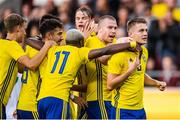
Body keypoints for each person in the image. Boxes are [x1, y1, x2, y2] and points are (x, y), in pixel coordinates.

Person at [27, 27, 138, 119]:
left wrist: (45, 43)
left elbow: (30, 41)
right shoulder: (80, 52)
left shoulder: (53, 49)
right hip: (58, 100)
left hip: (41, 100)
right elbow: (105, 51)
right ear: (81, 43)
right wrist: (131, 45)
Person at [107, 17, 167, 119]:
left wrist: (156, 83)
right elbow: (110, 85)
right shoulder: (120, 54)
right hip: (122, 110)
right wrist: (129, 71)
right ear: (130, 34)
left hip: (140, 110)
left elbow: (140, 74)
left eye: (146, 30)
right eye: (141, 31)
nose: (145, 33)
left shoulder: (144, 51)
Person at [0, 13, 54, 119]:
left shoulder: (2, 44)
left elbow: (21, 69)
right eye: (24, 29)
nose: (25, 33)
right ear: (18, 28)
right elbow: (31, 65)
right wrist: (46, 45)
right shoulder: (12, 46)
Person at [17, 15, 63, 119]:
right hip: (34, 105)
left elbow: (21, 70)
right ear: (49, 34)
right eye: (59, 33)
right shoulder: (46, 53)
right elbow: (50, 81)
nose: (61, 36)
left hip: (22, 104)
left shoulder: (30, 46)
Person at [83, 15, 118, 119]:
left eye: (115, 28)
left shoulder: (115, 43)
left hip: (110, 98)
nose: (113, 31)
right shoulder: (92, 41)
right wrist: (120, 45)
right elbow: (102, 59)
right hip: (98, 98)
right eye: (110, 27)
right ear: (100, 29)